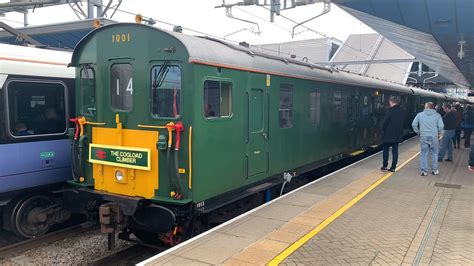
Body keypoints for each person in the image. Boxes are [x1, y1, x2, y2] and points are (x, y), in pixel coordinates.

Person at [412, 102, 444, 176]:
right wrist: (439, 134)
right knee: (434, 153)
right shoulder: (437, 115)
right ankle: (434, 170)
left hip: (423, 136)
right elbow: (441, 126)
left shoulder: (420, 115)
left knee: (423, 153)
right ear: (433, 107)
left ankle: (424, 171)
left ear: (426, 107)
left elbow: (414, 124)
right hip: (434, 136)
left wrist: (418, 132)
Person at [381, 96, 406, 172]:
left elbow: (385, 121)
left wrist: (382, 129)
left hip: (388, 134)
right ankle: (393, 168)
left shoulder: (389, 110)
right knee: (395, 151)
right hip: (397, 134)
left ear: (391, 102)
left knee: (385, 150)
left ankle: (385, 166)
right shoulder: (402, 111)